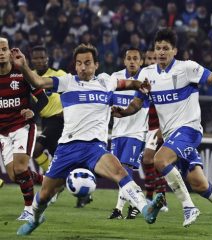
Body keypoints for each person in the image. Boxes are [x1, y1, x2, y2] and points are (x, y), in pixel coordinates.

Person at [112, 29, 212, 238]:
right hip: (172, 137)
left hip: (190, 129)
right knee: (200, 184)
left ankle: (188, 206)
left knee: (159, 159)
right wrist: (123, 113)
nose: (161, 52)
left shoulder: (187, 68)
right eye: (158, 48)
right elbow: (137, 103)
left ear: (174, 51)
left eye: (166, 49)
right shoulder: (147, 74)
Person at [12, 44, 164, 236]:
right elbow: (38, 81)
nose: (83, 67)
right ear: (75, 66)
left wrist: (140, 85)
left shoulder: (107, 82)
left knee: (120, 172)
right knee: (44, 194)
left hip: (95, 148)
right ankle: (34, 219)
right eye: (79, 63)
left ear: (96, 65)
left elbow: (129, 84)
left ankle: (145, 209)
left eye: (88, 63)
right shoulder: (67, 82)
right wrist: (23, 65)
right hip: (67, 148)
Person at [30, 45, 93, 208]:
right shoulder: (31, 78)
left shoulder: (60, 75)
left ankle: (49, 180)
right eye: (35, 58)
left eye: (41, 57)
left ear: (47, 59)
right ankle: (82, 193)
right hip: (45, 122)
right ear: (31, 60)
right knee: (64, 162)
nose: (39, 61)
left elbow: (75, 91)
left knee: (36, 150)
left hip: (59, 120)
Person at [0, 37, 43, 221]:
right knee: (14, 175)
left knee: (20, 168)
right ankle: (48, 182)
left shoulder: (22, 74)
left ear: (10, 51)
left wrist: (31, 112)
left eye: (4, 49)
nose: (1, 53)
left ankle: (30, 210)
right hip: (3, 132)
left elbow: (43, 99)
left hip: (22, 127)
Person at [108, 48, 150, 220]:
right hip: (117, 133)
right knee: (118, 172)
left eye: (136, 59)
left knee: (124, 169)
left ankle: (118, 209)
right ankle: (137, 202)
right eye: (129, 58)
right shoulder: (115, 78)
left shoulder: (146, 79)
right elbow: (107, 99)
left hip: (137, 132)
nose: (132, 61)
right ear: (124, 61)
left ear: (141, 62)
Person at [141, 47, 168, 209]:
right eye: (148, 59)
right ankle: (157, 197)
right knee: (150, 164)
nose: (151, 61)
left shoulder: (161, 81)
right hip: (143, 127)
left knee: (149, 159)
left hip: (157, 127)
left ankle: (155, 196)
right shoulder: (142, 79)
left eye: (153, 58)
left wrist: (161, 129)